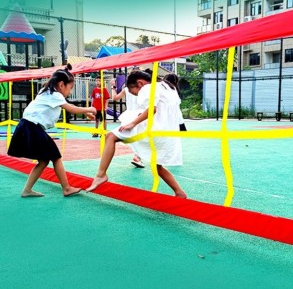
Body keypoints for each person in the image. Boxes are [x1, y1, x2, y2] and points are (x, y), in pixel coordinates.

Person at [87, 69, 187, 198]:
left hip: (154, 130)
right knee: (157, 165)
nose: (137, 95)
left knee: (110, 136)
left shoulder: (148, 87)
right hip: (167, 133)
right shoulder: (167, 86)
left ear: (140, 83)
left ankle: (101, 175)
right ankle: (179, 192)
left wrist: (133, 123)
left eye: (136, 92)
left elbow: (152, 110)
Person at [7, 64, 96, 197]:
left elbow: (68, 106)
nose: (70, 92)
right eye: (70, 88)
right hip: (32, 127)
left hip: (27, 126)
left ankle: (27, 190)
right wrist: (89, 109)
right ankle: (66, 188)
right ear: (61, 85)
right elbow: (71, 108)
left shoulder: (46, 91)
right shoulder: (55, 95)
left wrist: (86, 113)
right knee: (56, 156)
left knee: (44, 160)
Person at [110, 72, 144, 168]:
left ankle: (137, 156)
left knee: (134, 136)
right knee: (139, 136)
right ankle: (137, 156)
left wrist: (113, 87)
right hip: (139, 114)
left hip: (129, 115)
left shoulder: (126, 89)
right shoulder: (142, 88)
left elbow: (115, 98)